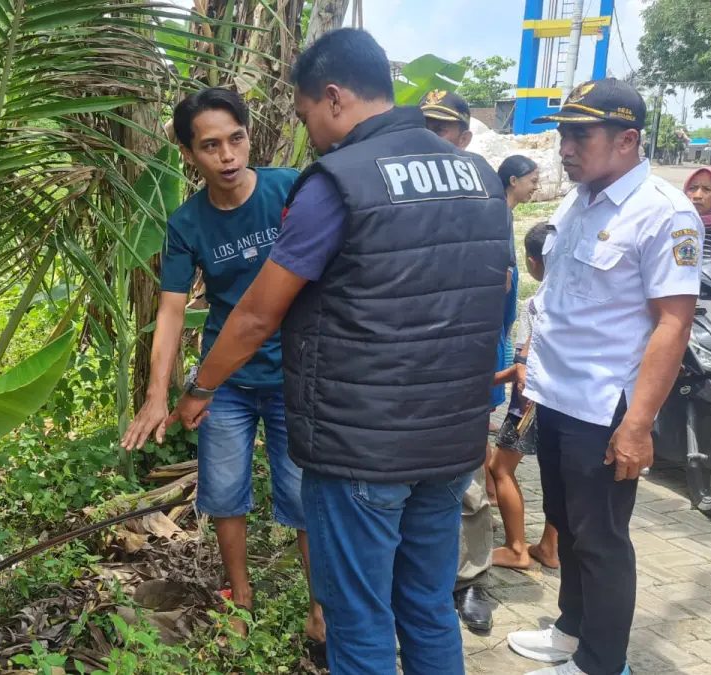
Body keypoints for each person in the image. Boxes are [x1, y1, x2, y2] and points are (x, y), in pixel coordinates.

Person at [166, 29, 513, 674]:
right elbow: (490, 298)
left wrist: (201, 387)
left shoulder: (338, 181)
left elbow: (258, 315)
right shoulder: (477, 176)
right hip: (448, 442)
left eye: (304, 117)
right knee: (429, 605)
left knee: (357, 617)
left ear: (332, 97)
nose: (310, 135)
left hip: (363, 448)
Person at [118, 87, 326, 654]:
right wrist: (157, 394)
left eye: (236, 139)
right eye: (210, 146)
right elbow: (170, 309)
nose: (228, 156)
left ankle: (320, 609)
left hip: (294, 377)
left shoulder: (290, 189)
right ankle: (241, 595)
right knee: (224, 494)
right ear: (188, 154)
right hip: (225, 383)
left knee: (306, 498)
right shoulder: (187, 222)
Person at [507, 78, 703, 675]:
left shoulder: (665, 214)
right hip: (557, 395)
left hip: (606, 406)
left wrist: (638, 424)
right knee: (566, 523)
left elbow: (672, 326)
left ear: (628, 140)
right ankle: (570, 631)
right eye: (563, 133)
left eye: (580, 134)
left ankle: (601, 662)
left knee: (602, 538)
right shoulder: (579, 200)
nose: (565, 146)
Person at [418, 89, 504, 633]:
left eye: (442, 129)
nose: (430, 138)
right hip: (407, 370)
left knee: (469, 486)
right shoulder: (398, 188)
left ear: (466, 140)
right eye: (425, 126)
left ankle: (471, 581)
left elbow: (500, 286)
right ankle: (425, 582)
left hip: (462, 366)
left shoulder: (481, 194)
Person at [489, 221, 560, 570]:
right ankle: (549, 547)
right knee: (556, 475)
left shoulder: (536, 304)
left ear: (532, 262)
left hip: (529, 402)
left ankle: (516, 548)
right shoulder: (571, 300)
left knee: (499, 468)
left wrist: (488, 379)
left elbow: (523, 367)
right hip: (562, 402)